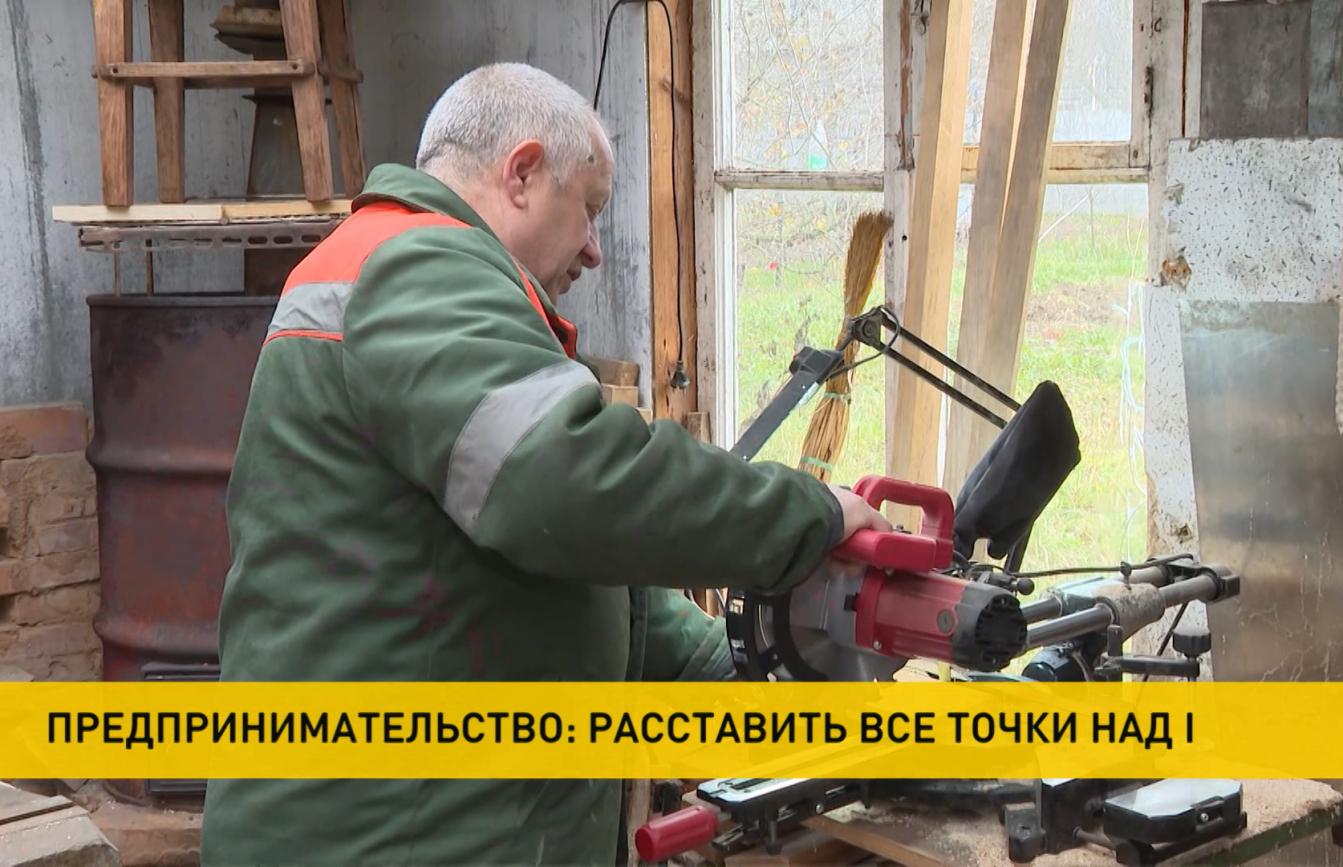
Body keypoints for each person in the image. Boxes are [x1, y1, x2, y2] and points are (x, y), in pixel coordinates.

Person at [199, 62, 891, 866]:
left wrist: (727, 663)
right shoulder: (415, 272)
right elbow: (565, 485)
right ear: (522, 173)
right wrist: (810, 517)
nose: (595, 248)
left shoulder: (394, 272)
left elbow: (552, 556)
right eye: (589, 208)